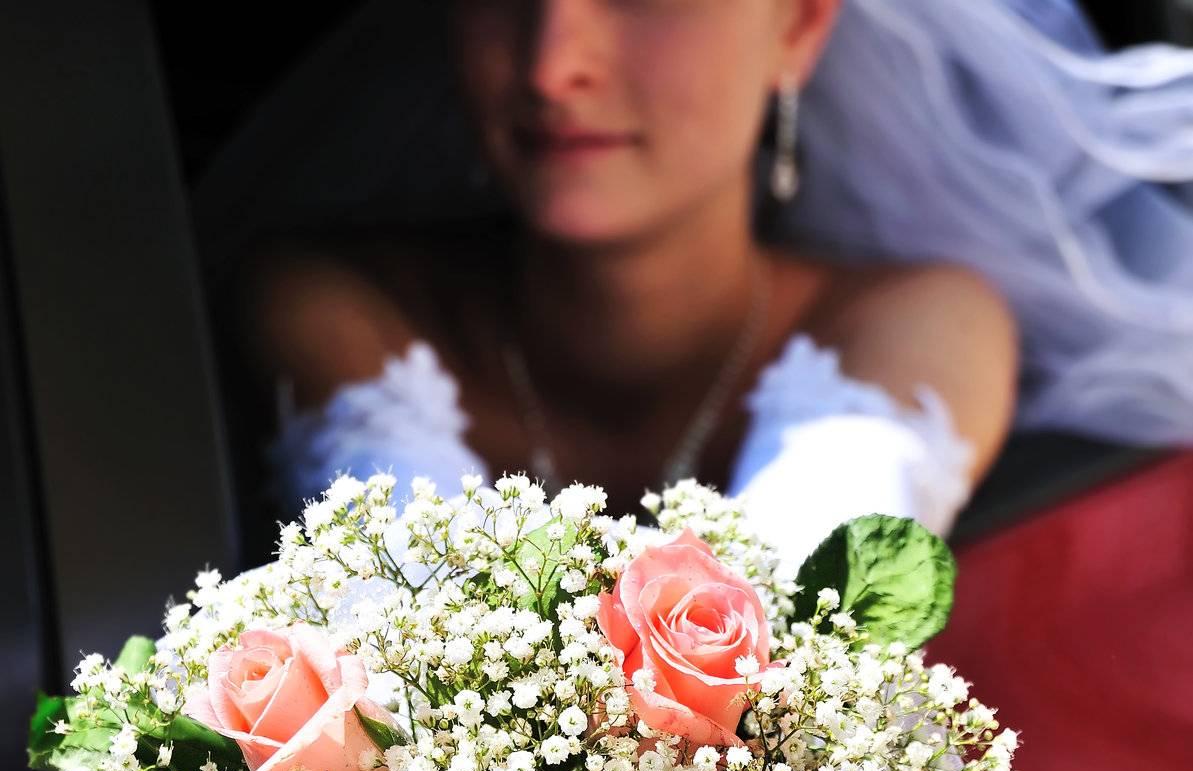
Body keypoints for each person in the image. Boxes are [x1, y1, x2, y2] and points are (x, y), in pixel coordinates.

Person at [240, 0, 1016, 573]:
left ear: (800, 26)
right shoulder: (332, 310)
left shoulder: (916, 327)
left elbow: (788, 661)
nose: (551, 67)